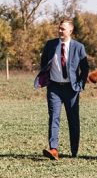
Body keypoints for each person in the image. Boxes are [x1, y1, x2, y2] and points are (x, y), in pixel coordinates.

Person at [36, 19, 88, 159]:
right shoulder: (50, 45)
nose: (60, 31)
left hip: (72, 89)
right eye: (59, 28)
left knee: (73, 119)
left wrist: (80, 85)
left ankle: (74, 150)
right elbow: (44, 64)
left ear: (70, 30)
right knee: (54, 117)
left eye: (63, 29)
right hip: (54, 88)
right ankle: (53, 149)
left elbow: (85, 68)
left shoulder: (78, 47)